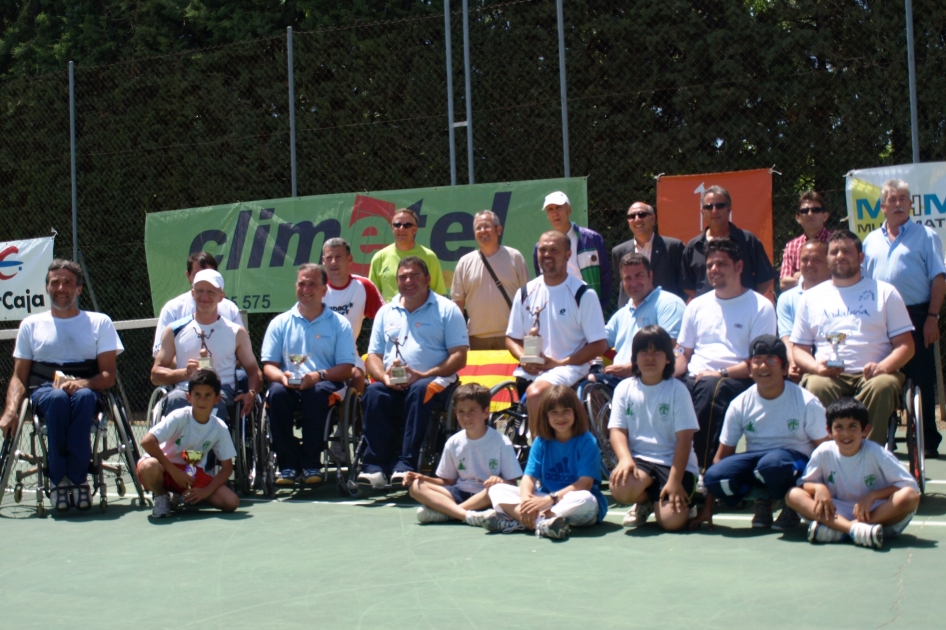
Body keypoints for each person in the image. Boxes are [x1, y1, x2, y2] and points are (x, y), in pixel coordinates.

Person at [0, 259, 123, 512]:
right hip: (45, 390)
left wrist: (81, 384)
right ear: (47, 287)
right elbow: (19, 377)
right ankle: (59, 480)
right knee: (57, 399)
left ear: (79, 289)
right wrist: (11, 409)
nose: (61, 287)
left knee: (85, 398)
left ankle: (78, 479)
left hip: (87, 388)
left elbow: (108, 375)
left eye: (68, 282)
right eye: (55, 282)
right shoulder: (30, 325)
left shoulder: (100, 322)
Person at [692, 335, 828, 531]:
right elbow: (721, 457)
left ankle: (793, 504)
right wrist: (708, 508)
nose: (763, 367)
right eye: (757, 361)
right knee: (715, 477)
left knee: (772, 464)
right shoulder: (740, 404)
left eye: (771, 360)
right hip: (760, 466)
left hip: (793, 464)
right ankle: (763, 498)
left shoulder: (806, 402)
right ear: (749, 368)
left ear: (784, 368)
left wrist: (821, 488)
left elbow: (825, 451)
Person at [791, 230, 915, 445]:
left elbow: (906, 345)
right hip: (829, 376)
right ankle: (830, 454)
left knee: (883, 386)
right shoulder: (810, 298)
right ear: (828, 259)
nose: (840, 256)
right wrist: (816, 367)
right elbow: (798, 350)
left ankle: (870, 454)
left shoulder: (885, 292)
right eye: (834, 252)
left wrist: (883, 367)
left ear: (860, 258)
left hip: (875, 376)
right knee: (816, 386)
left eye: (847, 251)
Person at [357, 257, 469, 489]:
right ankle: (374, 467)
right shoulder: (385, 312)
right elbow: (374, 356)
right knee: (373, 393)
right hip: (392, 382)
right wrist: (384, 377)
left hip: (435, 381)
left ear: (428, 279)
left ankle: (405, 464)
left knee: (420, 389)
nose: (408, 281)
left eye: (414, 275)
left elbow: (459, 356)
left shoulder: (447, 309)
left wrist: (424, 373)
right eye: (403, 277)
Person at [675, 239, 777, 470]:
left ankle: (701, 470)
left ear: (739, 267)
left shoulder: (761, 306)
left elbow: (758, 363)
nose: (714, 270)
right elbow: (684, 354)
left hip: (735, 379)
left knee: (713, 388)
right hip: (695, 378)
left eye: (721, 264)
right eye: (710, 265)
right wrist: (664, 374)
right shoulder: (696, 306)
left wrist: (719, 372)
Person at [862, 179, 946, 458]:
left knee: (921, 378)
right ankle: (882, 437)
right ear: (883, 207)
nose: (898, 204)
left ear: (911, 204)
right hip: (879, 318)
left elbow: (939, 278)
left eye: (903, 199)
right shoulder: (870, 241)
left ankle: (928, 442)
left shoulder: (926, 236)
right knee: (882, 374)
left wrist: (932, 316)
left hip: (918, 315)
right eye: (892, 199)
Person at [261, 264, 356, 485]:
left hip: (325, 385)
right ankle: (288, 465)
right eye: (301, 284)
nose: (306, 289)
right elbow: (268, 366)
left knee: (317, 393)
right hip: (290, 384)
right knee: (276, 393)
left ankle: (311, 462)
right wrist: (282, 377)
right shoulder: (279, 323)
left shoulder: (340, 324)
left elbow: (346, 368)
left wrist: (318, 376)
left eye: (312, 284)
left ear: (324, 290)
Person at [785, 398, 920, 549]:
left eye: (853, 426)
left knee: (910, 496)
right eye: (839, 427)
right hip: (836, 512)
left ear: (865, 430)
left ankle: (840, 530)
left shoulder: (876, 452)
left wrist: (873, 496)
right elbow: (805, 484)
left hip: (874, 513)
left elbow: (910, 487)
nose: (846, 433)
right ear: (829, 431)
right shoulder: (823, 452)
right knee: (793, 495)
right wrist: (819, 488)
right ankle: (852, 530)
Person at [507, 231, 608, 427]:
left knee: (536, 393)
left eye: (554, 250)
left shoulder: (583, 294)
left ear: (568, 254)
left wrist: (559, 362)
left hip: (569, 367)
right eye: (543, 250)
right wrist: (523, 358)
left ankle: (539, 453)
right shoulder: (525, 292)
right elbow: (511, 338)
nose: (547, 255)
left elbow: (598, 344)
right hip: (530, 371)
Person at [482, 385, 607, 540]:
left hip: (575, 506)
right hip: (546, 500)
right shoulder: (541, 441)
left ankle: (523, 521)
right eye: (554, 412)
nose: (560, 417)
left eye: (566, 411)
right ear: (545, 416)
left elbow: (585, 484)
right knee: (497, 489)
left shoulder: (587, 441)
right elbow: (528, 478)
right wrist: (527, 502)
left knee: (585, 498)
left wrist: (550, 500)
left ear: (576, 412)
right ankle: (542, 523)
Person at [608, 326, 699, 532]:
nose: (650, 357)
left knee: (671, 522)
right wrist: (625, 459)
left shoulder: (677, 390)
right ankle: (647, 500)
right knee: (620, 489)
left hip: (675, 465)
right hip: (641, 463)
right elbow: (617, 431)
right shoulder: (624, 388)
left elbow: (685, 440)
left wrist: (675, 481)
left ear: (668, 358)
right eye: (643, 352)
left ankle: (687, 497)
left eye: (657, 351)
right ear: (635, 358)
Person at [151, 269, 262, 422]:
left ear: (221, 296)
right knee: (174, 399)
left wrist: (251, 393)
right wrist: (186, 374)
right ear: (192, 293)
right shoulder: (174, 330)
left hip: (220, 393)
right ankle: (178, 445)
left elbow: (253, 371)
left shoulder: (236, 332)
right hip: (184, 391)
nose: (204, 297)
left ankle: (210, 444)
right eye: (200, 291)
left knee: (211, 401)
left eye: (211, 292)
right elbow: (156, 375)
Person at [404, 383, 523, 525]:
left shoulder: (501, 442)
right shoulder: (453, 442)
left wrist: (499, 481)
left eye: (472, 411)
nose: (466, 417)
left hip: (485, 495)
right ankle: (466, 515)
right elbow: (448, 481)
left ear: (486, 413)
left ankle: (448, 513)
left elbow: (512, 484)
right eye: (461, 411)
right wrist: (423, 477)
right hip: (458, 494)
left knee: (496, 490)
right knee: (416, 487)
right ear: (455, 413)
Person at [137, 369, 240, 518]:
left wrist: (206, 491)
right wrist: (173, 471)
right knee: (149, 466)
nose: (202, 400)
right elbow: (147, 441)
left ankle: (182, 494)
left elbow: (227, 468)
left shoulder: (219, 428)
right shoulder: (179, 417)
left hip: (189, 476)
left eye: (208, 395)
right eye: (197, 394)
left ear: (217, 399)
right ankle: (162, 496)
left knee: (231, 502)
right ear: (188, 397)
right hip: (163, 468)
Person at [599, 252, 685, 388]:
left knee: (590, 386)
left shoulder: (669, 303)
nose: (633, 283)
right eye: (627, 278)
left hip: (649, 381)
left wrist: (633, 367)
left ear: (650, 276)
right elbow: (599, 344)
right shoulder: (622, 314)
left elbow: (671, 346)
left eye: (639, 275)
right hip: (616, 379)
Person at [451, 210, 530, 350]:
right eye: (478, 228)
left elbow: (527, 298)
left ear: (498, 230)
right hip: (476, 339)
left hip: (511, 337)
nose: (483, 231)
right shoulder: (464, 262)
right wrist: (459, 338)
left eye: (487, 226)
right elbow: (457, 304)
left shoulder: (515, 257)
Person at [681, 185, 777, 299]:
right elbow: (687, 285)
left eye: (720, 205)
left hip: (744, 310)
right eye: (709, 207)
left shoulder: (748, 240)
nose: (714, 211)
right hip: (708, 313)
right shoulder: (693, 246)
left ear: (729, 208)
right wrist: (708, 303)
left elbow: (765, 278)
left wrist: (747, 299)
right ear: (702, 212)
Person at [321, 237, 385, 393]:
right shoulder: (315, 288)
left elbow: (386, 320)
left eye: (339, 257)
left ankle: (352, 415)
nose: (333, 262)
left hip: (348, 354)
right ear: (323, 261)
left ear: (350, 259)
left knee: (357, 376)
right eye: (329, 258)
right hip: (316, 353)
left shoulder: (364, 286)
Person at [533, 191, 611, 312]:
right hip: (555, 309)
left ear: (569, 210)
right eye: (550, 209)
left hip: (588, 307)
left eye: (559, 207)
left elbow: (605, 277)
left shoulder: (592, 239)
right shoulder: (540, 248)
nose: (555, 213)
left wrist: (600, 308)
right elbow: (541, 279)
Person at [152, 251, 242, 356]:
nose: (204, 278)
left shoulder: (230, 309)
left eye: (209, 274)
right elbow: (159, 352)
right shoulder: (172, 309)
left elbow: (242, 352)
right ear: (188, 275)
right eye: (197, 274)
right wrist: (189, 368)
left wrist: (220, 364)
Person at [776, 240, 831, 381]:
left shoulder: (841, 294)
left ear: (829, 263)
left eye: (816, 260)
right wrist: (794, 362)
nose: (809, 264)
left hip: (831, 362)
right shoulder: (786, 298)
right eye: (805, 260)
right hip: (800, 363)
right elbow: (786, 338)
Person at [611, 201, 686, 304]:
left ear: (653, 219)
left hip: (665, 310)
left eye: (642, 214)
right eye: (632, 216)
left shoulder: (673, 247)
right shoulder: (619, 252)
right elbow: (621, 281)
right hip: (632, 312)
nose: (637, 219)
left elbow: (684, 283)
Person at [368, 208, 446, 301]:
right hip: (390, 314)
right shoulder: (379, 257)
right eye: (397, 225)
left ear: (415, 230)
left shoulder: (429, 256)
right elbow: (373, 295)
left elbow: (439, 294)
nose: (401, 228)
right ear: (392, 228)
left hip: (422, 314)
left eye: (407, 225)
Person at [779, 191, 833, 291]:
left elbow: (842, 274)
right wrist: (821, 274)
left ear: (825, 216)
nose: (810, 214)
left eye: (816, 210)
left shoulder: (836, 241)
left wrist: (799, 275)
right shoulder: (791, 246)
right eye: (804, 211)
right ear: (798, 218)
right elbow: (784, 284)